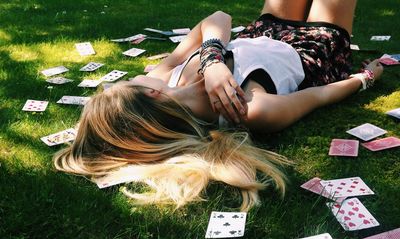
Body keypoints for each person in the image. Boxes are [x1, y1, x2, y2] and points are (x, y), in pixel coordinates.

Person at [54, 0, 383, 211]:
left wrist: (212, 61)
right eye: (127, 83)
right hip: (315, 46)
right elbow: (318, 96)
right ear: (151, 97)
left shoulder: (168, 75)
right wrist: (366, 77)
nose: (134, 76)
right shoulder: (250, 110)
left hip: (266, 28)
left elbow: (218, 18)